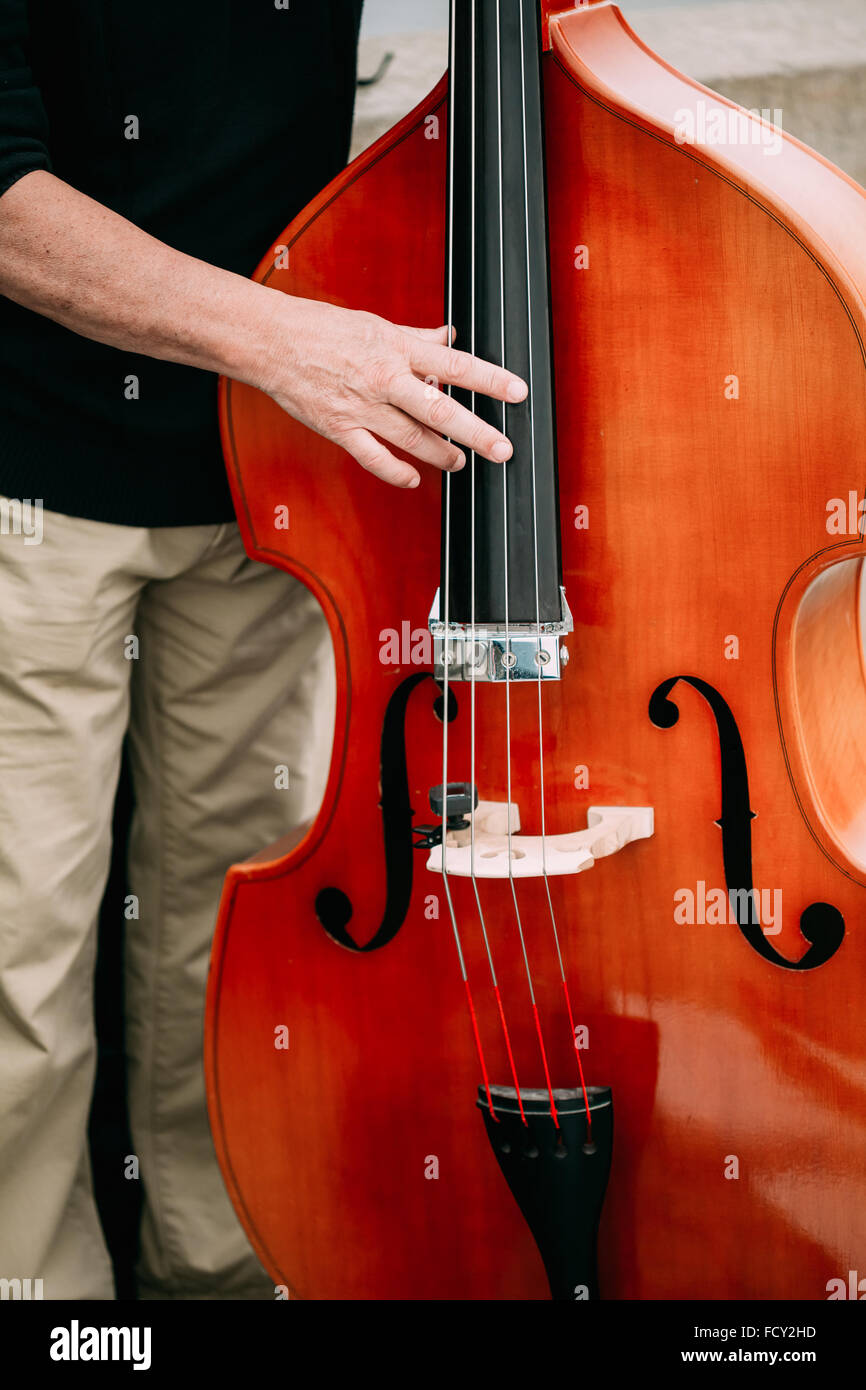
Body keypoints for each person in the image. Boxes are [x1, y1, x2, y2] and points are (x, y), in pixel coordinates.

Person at [0, 1, 527, 1301]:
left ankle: (220, 1267)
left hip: (273, 476)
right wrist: (286, 341)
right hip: (29, 474)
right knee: (21, 957)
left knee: (232, 942)